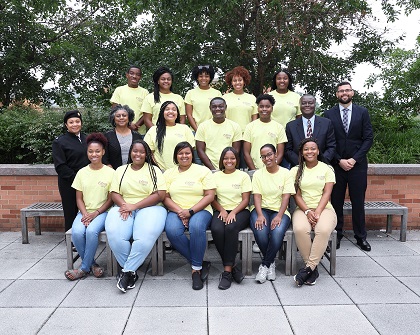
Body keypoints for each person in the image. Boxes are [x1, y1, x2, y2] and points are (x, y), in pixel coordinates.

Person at [105, 140, 167, 293]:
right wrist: (125, 206)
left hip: (151, 208)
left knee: (144, 237)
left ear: (146, 154)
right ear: (130, 152)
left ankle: (127, 271)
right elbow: (114, 193)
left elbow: (160, 194)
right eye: (135, 151)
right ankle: (131, 271)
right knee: (115, 235)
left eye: (141, 152)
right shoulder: (121, 170)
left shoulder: (154, 170)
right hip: (123, 207)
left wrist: (135, 206)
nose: (138, 154)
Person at [324, 82, 373, 251]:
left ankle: (361, 237)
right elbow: (328, 141)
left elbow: (368, 139)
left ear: (352, 92)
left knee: (358, 202)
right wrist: (339, 160)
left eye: (347, 90)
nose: (344, 93)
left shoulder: (362, 112)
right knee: (335, 202)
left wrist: (354, 159)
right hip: (336, 166)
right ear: (337, 94)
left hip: (357, 166)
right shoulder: (328, 114)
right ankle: (336, 234)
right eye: (341, 91)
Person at [163, 142, 216, 290]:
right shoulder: (169, 173)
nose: (184, 156)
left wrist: (190, 211)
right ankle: (199, 262)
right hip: (176, 210)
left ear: (192, 155)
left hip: (201, 209)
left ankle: (196, 270)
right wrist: (181, 212)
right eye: (180, 153)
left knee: (196, 227)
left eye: (187, 153)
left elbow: (209, 196)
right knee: (172, 230)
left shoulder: (203, 171)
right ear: (176, 156)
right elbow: (165, 197)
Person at [64, 133, 114, 280]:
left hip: (103, 212)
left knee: (91, 231)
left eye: (97, 151)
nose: (94, 154)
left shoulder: (110, 172)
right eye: (90, 151)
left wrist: (95, 214)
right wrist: (85, 214)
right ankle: (92, 265)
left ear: (103, 152)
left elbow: (111, 200)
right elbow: (78, 198)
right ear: (87, 152)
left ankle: (83, 268)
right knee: (78, 233)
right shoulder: (81, 172)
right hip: (84, 212)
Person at [290, 137, 337, 286]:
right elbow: (296, 195)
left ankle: (308, 268)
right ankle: (313, 269)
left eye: (312, 148)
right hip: (303, 209)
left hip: (324, 209)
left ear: (318, 151)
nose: (309, 151)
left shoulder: (327, 169)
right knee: (300, 228)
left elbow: (327, 193)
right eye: (306, 149)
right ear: (302, 152)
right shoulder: (295, 170)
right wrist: (307, 212)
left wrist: (317, 211)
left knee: (322, 230)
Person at [250, 144, 294, 283]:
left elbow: (286, 197)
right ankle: (271, 263)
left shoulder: (286, 173)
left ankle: (265, 265)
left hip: (280, 210)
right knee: (261, 230)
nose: (267, 158)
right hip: (260, 209)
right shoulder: (258, 174)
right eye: (263, 156)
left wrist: (280, 216)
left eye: (269, 154)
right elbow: (257, 196)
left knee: (276, 231)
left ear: (276, 155)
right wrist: (260, 215)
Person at [211, 147, 251, 289]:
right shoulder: (215, 176)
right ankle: (233, 266)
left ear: (236, 160)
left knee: (231, 227)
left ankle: (226, 273)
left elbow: (246, 200)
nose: (229, 161)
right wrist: (222, 209)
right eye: (226, 158)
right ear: (222, 160)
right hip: (221, 210)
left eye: (232, 158)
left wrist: (233, 212)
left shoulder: (243, 176)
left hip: (240, 210)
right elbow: (212, 198)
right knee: (216, 229)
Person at [52, 110, 89, 233]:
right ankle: (72, 239)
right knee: (71, 211)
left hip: (88, 182)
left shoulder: (87, 139)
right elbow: (61, 166)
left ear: (81, 123)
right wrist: (78, 180)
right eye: (71, 122)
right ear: (66, 125)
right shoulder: (60, 141)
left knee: (89, 208)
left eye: (77, 121)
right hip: (69, 182)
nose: (75, 124)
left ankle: (87, 235)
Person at [285, 94, 336, 167]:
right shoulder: (290, 126)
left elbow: (331, 146)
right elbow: (288, 150)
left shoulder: (327, 123)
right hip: (298, 167)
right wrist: (302, 164)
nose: (307, 105)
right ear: (300, 106)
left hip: (321, 167)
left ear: (315, 105)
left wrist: (319, 163)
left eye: (310, 103)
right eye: (304, 103)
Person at [144, 101, 195, 171]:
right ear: (162, 113)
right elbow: (149, 153)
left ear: (177, 114)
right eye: (167, 109)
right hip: (160, 171)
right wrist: (158, 169)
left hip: (182, 171)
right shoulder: (153, 130)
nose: (171, 111)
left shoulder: (185, 128)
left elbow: (190, 153)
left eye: (174, 110)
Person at [195, 97, 242, 170]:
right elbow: (200, 150)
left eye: (220, 106)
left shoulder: (235, 126)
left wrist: (226, 168)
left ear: (225, 107)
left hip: (228, 168)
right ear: (210, 108)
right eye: (214, 107)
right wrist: (212, 169)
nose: (217, 109)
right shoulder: (203, 126)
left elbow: (236, 151)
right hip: (209, 169)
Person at [243, 94, 287, 170]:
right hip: (254, 170)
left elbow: (280, 154)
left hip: (272, 171)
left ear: (272, 108)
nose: (264, 109)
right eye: (261, 106)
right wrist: (254, 171)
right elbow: (246, 153)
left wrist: (272, 168)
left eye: (267, 106)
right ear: (257, 108)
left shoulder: (279, 127)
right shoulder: (250, 127)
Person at [110, 65, 149, 135]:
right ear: (127, 75)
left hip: (139, 132)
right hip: (121, 131)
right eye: (131, 73)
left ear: (140, 77)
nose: (134, 76)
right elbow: (114, 110)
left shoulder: (145, 92)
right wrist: (128, 124)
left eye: (137, 74)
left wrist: (136, 125)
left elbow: (147, 113)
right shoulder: (119, 90)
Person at [103, 104, 142, 170]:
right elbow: (104, 157)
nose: (121, 118)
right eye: (118, 116)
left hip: (133, 173)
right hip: (113, 173)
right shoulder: (107, 136)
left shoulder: (137, 136)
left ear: (129, 118)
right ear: (114, 119)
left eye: (124, 115)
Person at [185, 65, 222, 132]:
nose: (204, 78)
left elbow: (220, 112)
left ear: (210, 78)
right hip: (195, 131)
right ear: (197, 78)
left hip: (214, 130)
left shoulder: (217, 93)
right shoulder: (190, 93)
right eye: (201, 76)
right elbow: (189, 115)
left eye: (207, 76)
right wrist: (197, 130)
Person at [223, 66, 258, 133]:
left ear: (244, 81)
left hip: (247, 134)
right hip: (229, 133)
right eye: (234, 80)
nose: (237, 83)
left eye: (240, 80)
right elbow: (222, 117)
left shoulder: (252, 98)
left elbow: (254, 119)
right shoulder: (224, 98)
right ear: (231, 82)